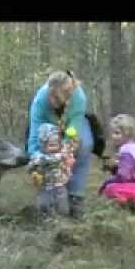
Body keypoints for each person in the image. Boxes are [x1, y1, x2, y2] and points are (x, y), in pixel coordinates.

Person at [26, 70, 94, 219]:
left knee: (85, 144)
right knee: (47, 151)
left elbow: (74, 129)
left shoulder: (78, 98)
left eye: (55, 98)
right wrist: (36, 157)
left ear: (66, 98)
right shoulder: (40, 101)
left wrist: (66, 150)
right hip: (48, 127)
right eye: (50, 94)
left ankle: (75, 196)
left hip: (70, 126)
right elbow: (34, 135)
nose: (50, 99)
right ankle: (47, 197)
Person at [27, 123, 76, 221]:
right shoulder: (38, 156)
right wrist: (34, 171)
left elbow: (69, 151)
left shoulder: (61, 153)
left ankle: (62, 219)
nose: (55, 148)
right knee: (44, 204)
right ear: (42, 144)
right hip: (44, 186)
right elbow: (33, 165)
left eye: (57, 144)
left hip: (59, 185)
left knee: (62, 204)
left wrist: (71, 142)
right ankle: (45, 219)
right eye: (51, 145)